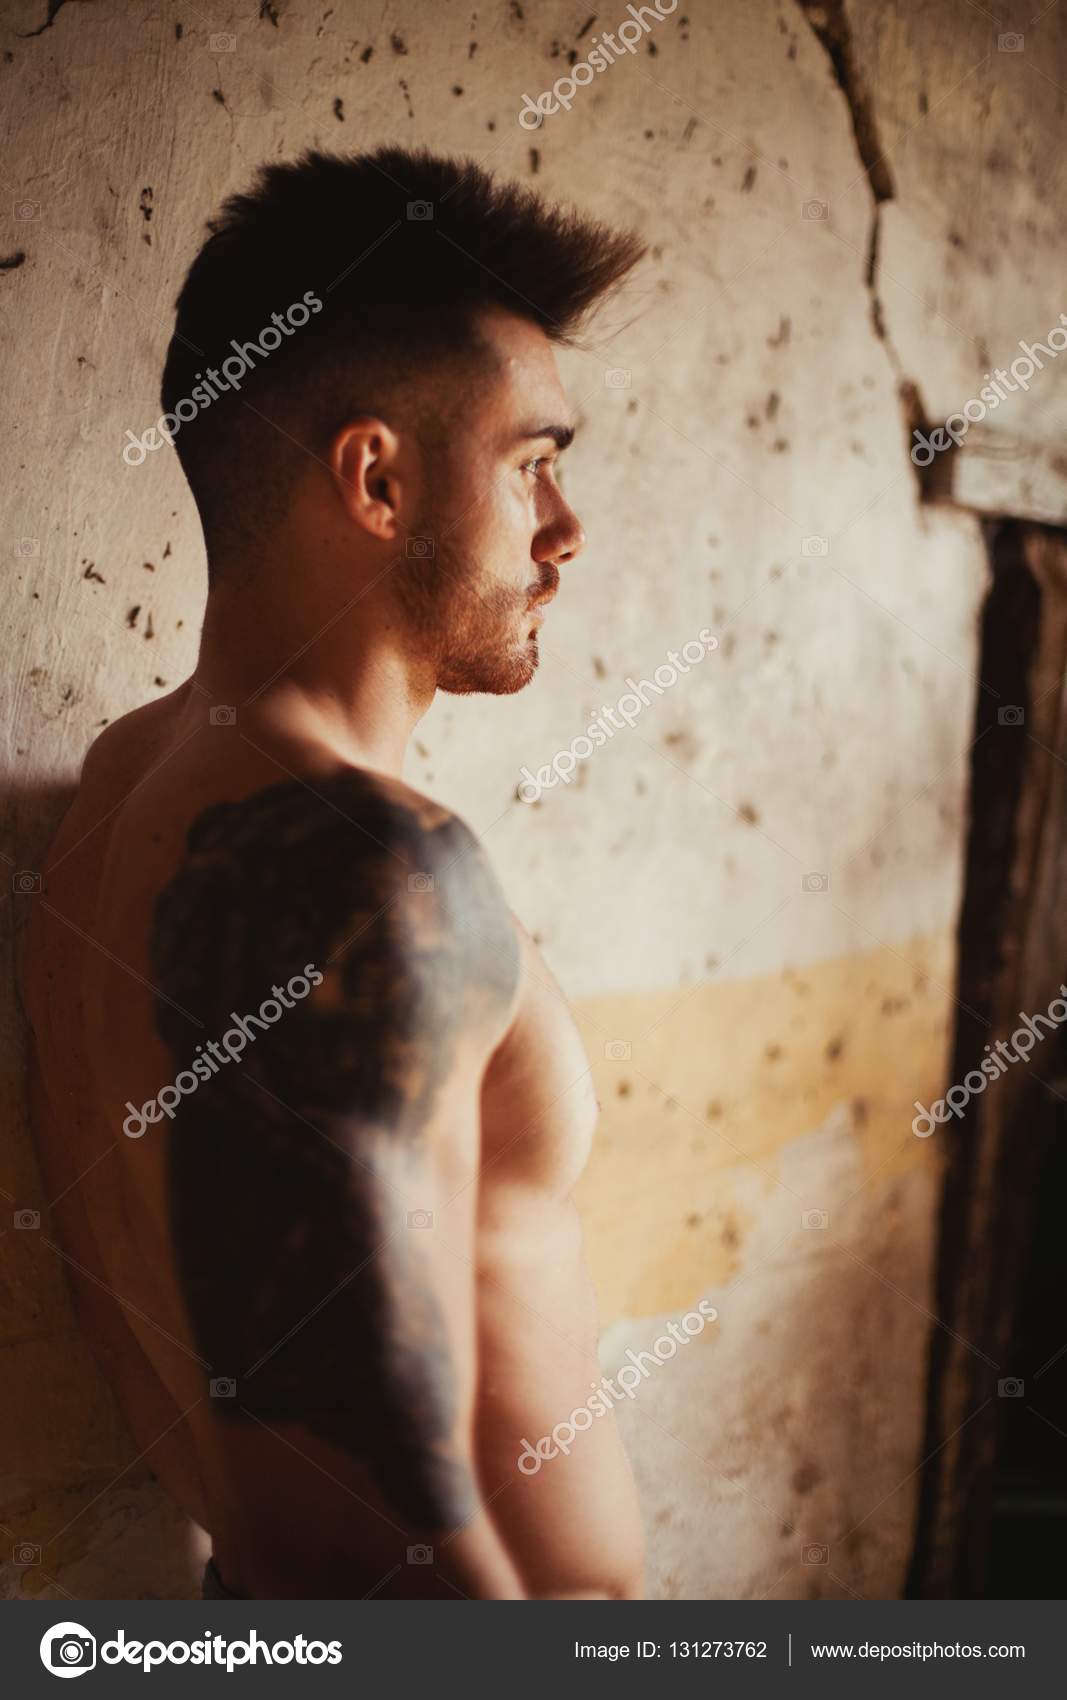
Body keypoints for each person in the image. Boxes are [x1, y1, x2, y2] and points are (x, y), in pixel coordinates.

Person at [23, 146, 647, 1600]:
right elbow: (363, 1556)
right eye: (534, 466)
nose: (567, 530)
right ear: (376, 479)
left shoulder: (128, 787)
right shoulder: (358, 872)